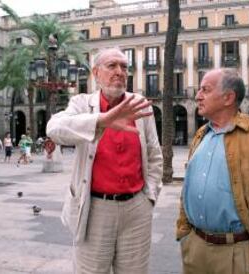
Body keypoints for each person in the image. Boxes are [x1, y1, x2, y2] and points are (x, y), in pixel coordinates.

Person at [46, 47, 162, 274]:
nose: (119, 71)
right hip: (95, 209)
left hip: (136, 208)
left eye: (124, 67)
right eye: (112, 66)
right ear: (96, 73)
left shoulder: (139, 104)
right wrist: (102, 120)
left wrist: (150, 196)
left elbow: (154, 154)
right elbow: (54, 129)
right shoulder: (82, 104)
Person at [176, 68, 249, 274]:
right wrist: (184, 233)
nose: (197, 95)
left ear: (228, 97)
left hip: (236, 253)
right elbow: (188, 186)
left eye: (205, 90)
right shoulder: (201, 134)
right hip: (195, 249)